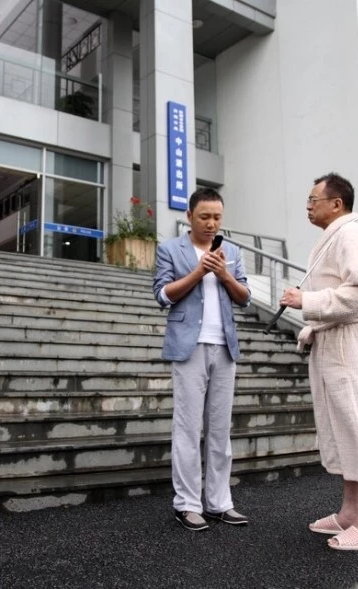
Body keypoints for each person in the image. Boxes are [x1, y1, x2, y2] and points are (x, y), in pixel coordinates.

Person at [280, 172, 358, 551]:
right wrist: (313, 322)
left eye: (314, 199)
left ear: (336, 204)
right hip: (332, 339)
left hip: (349, 342)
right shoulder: (335, 235)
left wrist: (306, 302)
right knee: (343, 427)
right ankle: (350, 513)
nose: (308, 206)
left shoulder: (350, 233)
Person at [152, 187, 251, 531]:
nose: (211, 223)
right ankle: (187, 504)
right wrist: (199, 272)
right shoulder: (170, 249)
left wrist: (224, 274)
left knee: (220, 430)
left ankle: (220, 502)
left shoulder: (232, 251)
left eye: (217, 217)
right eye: (204, 217)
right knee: (188, 428)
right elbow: (162, 295)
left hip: (224, 347)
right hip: (188, 346)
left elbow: (244, 297)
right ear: (189, 216)